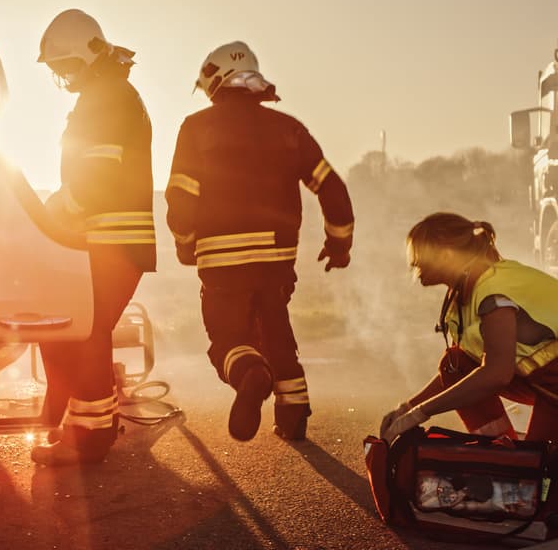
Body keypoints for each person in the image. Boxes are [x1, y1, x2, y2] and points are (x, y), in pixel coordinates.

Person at [166, 41, 354, 441]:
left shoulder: (196, 128)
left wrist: (185, 244)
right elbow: (332, 188)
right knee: (276, 328)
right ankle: (293, 412)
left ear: (214, 82)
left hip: (220, 258)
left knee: (228, 338)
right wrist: (339, 245)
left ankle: (250, 374)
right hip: (276, 257)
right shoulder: (289, 129)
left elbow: (180, 197)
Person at [31, 9, 156, 466]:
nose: (63, 76)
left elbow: (97, 173)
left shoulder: (105, 96)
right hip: (117, 238)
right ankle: (81, 424)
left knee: (84, 330)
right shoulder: (114, 92)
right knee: (84, 329)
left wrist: (62, 206)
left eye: (65, 65)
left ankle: (88, 440)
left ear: (87, 54)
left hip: (112, 237)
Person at [381, 212, 558, 443]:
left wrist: (421, 413)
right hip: (549, 382)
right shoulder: (467, 289)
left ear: (445, 255)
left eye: (420, 254)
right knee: (455, 365)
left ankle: (521, 466)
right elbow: (466, 369)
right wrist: (407, 408)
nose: (414, 263)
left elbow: (497, 374)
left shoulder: (493, 291)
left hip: (552, 384)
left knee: (542, 471)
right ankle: (503, 453)